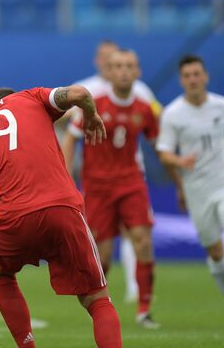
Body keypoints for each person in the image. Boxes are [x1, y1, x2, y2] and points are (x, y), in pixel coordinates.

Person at [0, 86, 122, 348]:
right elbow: (80, 94)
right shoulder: (30, 98)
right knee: (97, 298)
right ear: (9, 97)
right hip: (62, 208)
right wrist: (91, 115)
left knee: (1, 274)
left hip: (14, 219)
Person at [61, 49, 163, 329]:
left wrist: (176, 170)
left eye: (129, 66)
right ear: (109, 71)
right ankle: (100, 304)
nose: (123, 71)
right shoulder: (93, 104)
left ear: (138, 71)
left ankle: (144, 309)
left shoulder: (144, 106)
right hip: (98, 187)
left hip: (131, 182)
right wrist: (67, 177)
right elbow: (70, 138)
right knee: (102, 256)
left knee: (142, 240)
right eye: (118, 66)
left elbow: (158, 142)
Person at [157, 55, 224, 328]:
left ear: (205, 76)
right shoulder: (173, 113)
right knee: (215, 254)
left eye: (196, 74)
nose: (192, 79)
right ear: (181, 80)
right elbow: (164, 152)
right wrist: (179, 162)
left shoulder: (222, 106)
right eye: (187, 75)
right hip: (196, 191)